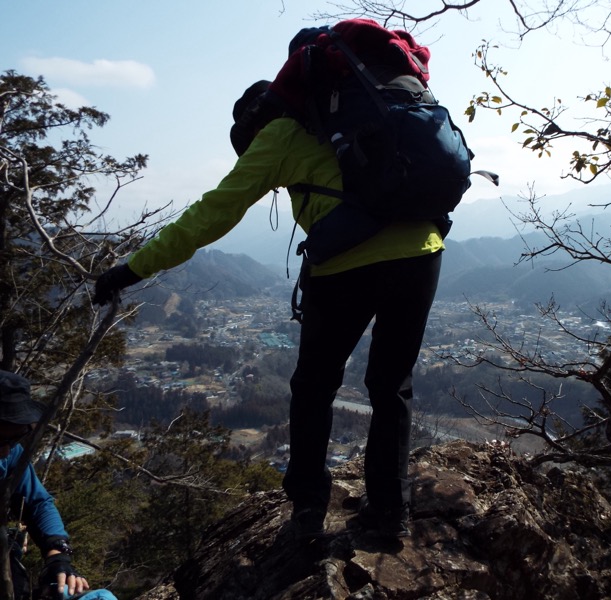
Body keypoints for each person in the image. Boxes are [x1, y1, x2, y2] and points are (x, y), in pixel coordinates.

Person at [93, 23, 444, 541]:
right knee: (391, 388)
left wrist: (131, 268)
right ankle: (391, 515)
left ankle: (307, 511)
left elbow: (211, 214)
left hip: (346, 264)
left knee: (314, 387)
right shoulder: (375, 111)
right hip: (423, 249)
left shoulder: (281, 134)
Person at [0, 370, 117, 600]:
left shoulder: (10, 456)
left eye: (15, 439)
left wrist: (58, 556)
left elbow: (38, 503)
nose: (5, 449)